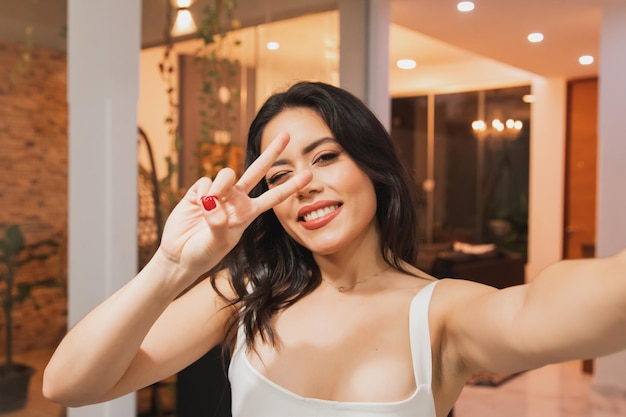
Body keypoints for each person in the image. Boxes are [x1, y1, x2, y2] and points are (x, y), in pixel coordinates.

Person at [43, 81, 626, 417]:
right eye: (280, 176)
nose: (306, 186)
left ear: (372, 167)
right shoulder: (247, 294)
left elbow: (553, 307)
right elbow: (70, 386)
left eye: (326, 157)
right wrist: (171, 266)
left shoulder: (441, 313)